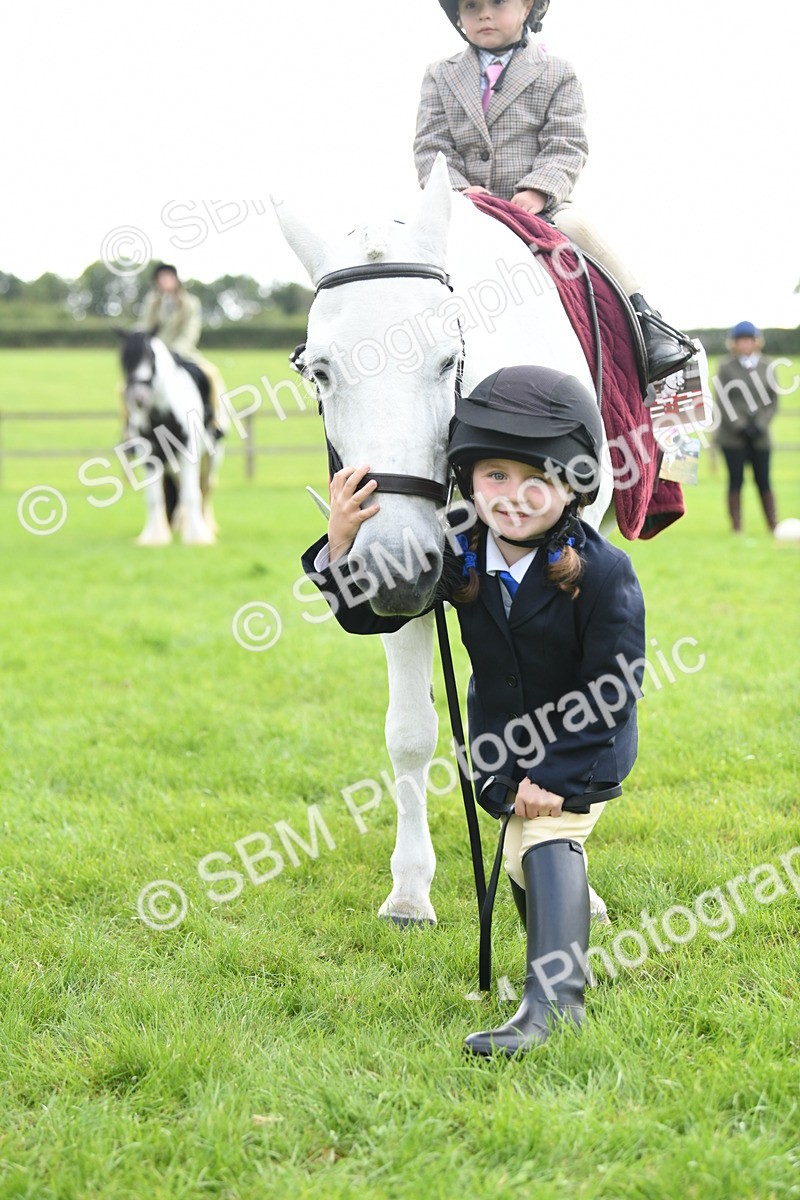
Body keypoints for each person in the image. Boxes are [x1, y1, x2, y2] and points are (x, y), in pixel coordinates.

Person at [301, 365, 646, 1056]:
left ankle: (553, 1009)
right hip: (503, 755)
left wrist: (553, 773)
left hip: (583, 749)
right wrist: (341, 546)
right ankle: (553, 965)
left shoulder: (603, 572)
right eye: (494, 477)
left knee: (544, 843)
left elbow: (614, 687)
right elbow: (372, 619)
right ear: (466, 478)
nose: (513, 498)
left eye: (536, 482)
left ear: (574, 486)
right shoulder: (460, 558)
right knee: (520, 857)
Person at [413, 0, 694, 384]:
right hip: (463, 207)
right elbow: (430, 147)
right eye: (472, 5)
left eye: (497, 3)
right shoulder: (439, 75)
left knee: (578, 227)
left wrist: (537, 192)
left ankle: (647, 322)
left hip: (538, 207)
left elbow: (567, 143)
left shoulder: (556, 72)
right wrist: (460, 191)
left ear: (527, 5)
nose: (484, 14)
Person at [139, 262, 224, 433]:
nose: (165, 281)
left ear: (176, 280)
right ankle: (131, 429)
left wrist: (177, 350)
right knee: (126, 387)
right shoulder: (151, 302)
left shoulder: (190, 302)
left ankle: (214, 420)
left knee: (211, 374)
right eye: (161, 278)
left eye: (168, 277)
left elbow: (191, 330)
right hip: (156, 356)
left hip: (183, 353)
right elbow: (146, 328)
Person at [713, 320, 779, 534]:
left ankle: (772, 524)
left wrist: (760, 425)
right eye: (740, 341)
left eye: (748, 340)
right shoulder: (725, 367)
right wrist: (740, 426)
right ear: (734, 343)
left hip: (760, 436)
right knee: (736, 480)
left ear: (756, 342)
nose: (745, 345)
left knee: (763, 480)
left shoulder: (767, 366)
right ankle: (737, 527)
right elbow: (723, 400)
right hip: (733, 436)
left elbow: (772, 400)